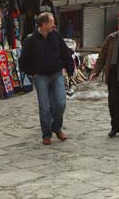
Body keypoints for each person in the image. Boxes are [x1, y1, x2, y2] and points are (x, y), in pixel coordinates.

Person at [19, 12, 76, 145]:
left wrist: (70, 69)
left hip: (57, 74)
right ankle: (46, 134)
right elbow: (23, 62)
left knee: (60, 103)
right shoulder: (30, 40)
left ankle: (57, 128)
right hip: (41, 77)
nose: (54, 25)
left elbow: (65, 53)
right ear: (44, 24)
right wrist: (32, 73)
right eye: (51, 22)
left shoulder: (56, 36)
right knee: (45, 106)